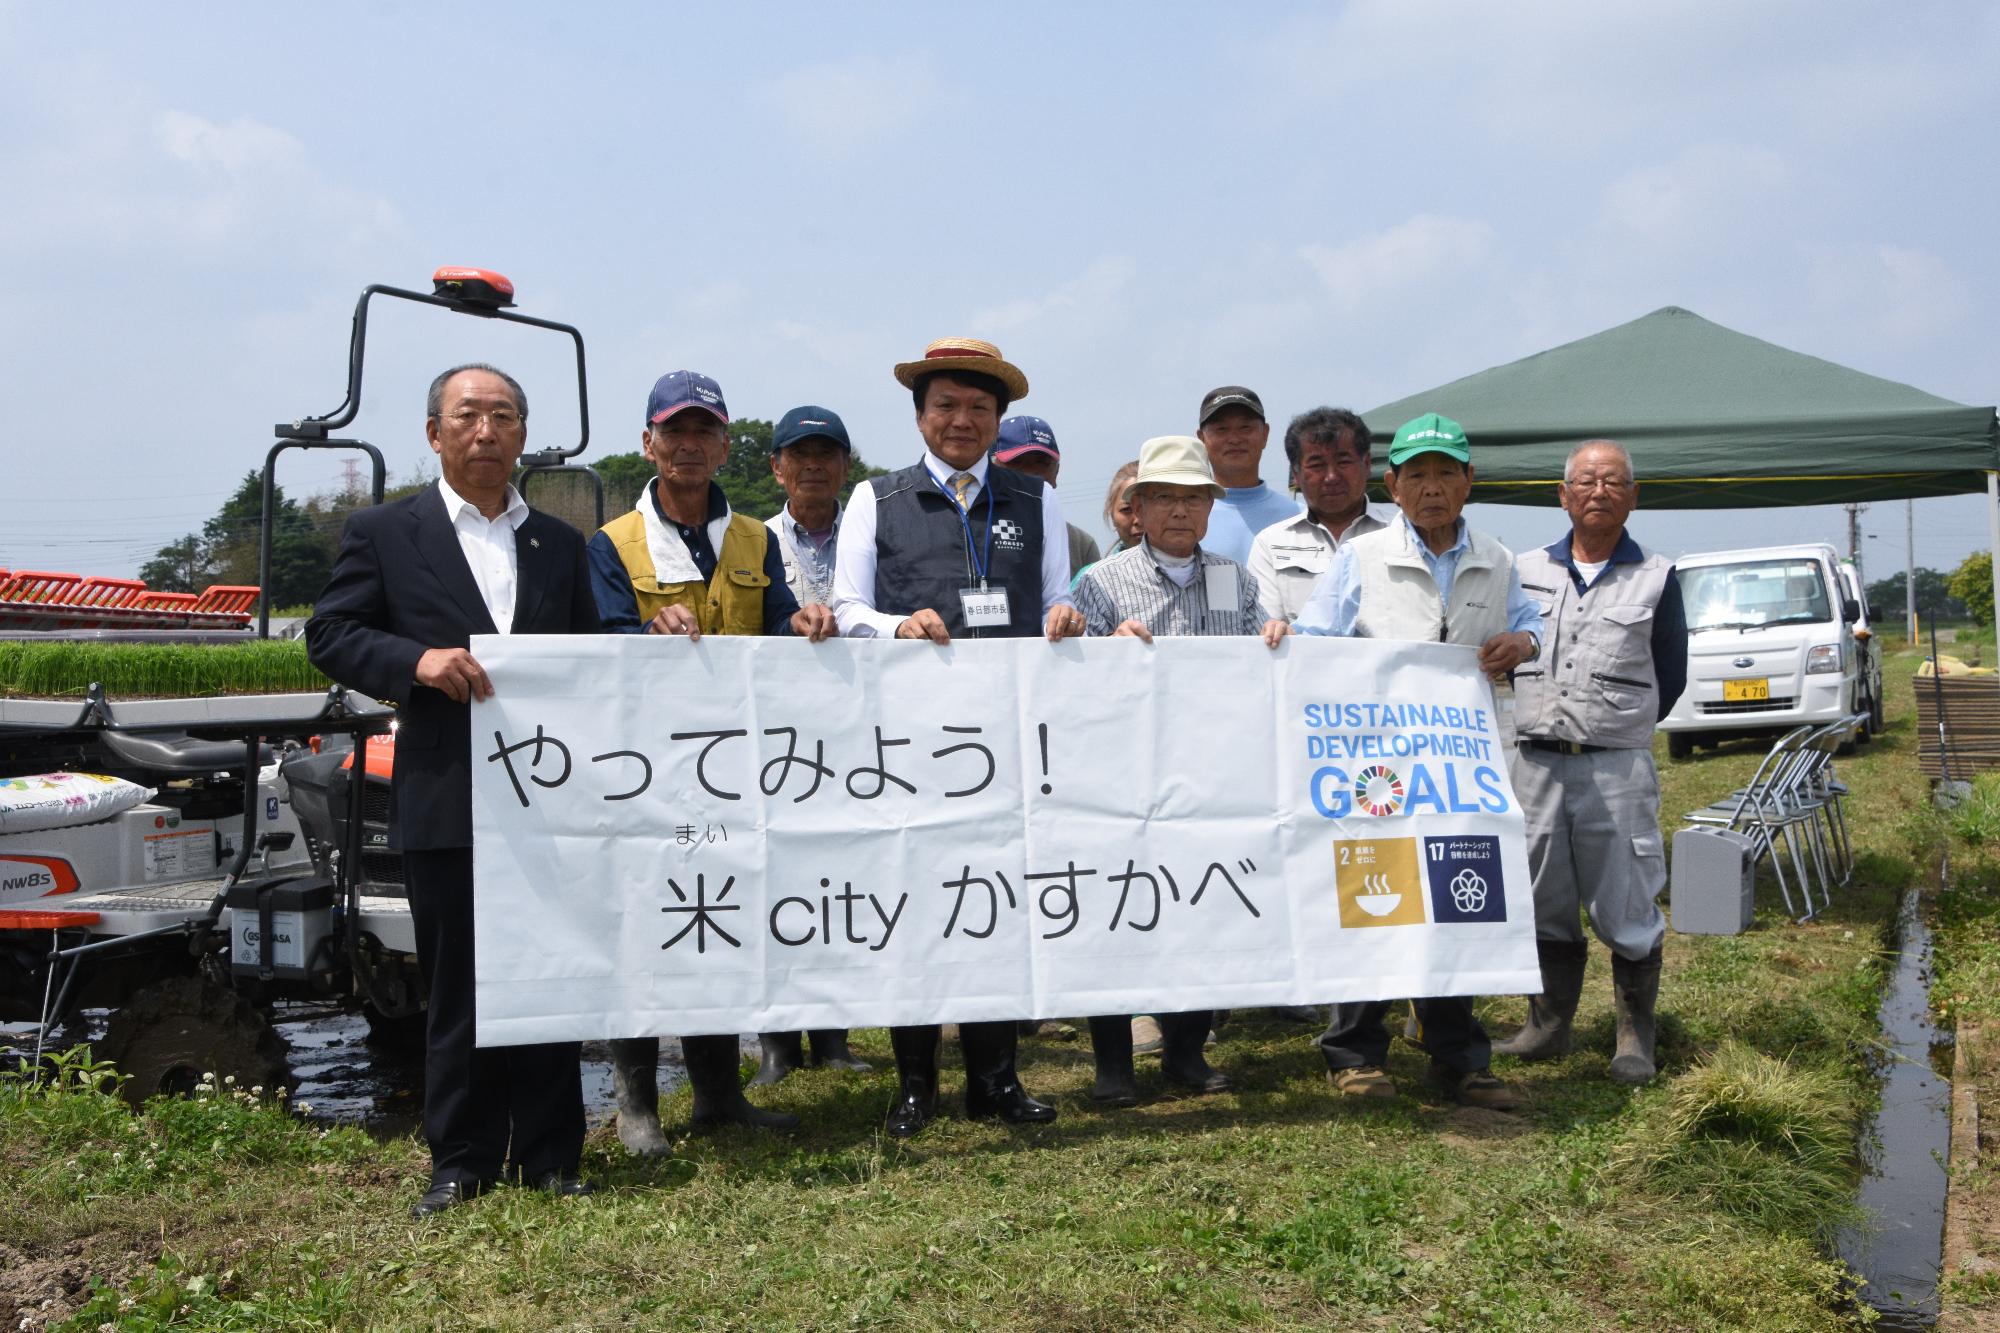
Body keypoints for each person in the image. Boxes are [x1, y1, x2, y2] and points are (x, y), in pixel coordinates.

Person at [307, 363, 599, 1217]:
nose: (486, 431)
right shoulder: (386, 531)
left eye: (504, 416)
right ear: (434, 433)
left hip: (549, 797)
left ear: (522, 435)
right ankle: (461, 1159)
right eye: (468, 415)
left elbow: (591, 657)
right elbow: (330, 632)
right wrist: (415, 662)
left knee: (549, 973)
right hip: (444, 790)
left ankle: (552, 1153)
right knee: (459, 983)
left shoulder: (559, 542)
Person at [829, 335, 1082, 1137]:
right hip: (909, 742)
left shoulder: (1036, 501)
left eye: (978, 408)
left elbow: (1055, 602)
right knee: (914, 902)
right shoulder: (877, 499)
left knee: (998, 903)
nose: (961, 420)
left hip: (1006, 739)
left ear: (999, 418)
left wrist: (1064, 617)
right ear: (919, 415)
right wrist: (897, 623)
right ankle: (914, 1083)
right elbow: (843, 611)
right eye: (946, 406)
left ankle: (995, 1079)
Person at [585, 369, 836, 1152]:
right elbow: (594, 641)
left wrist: (807, 623)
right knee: (642, 931)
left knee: (718, 923)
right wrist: (640, 634)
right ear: (648, 443)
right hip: (645, 773)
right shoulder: (612, 543)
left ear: (727, 444)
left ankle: (720, 1095)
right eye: (674, 430)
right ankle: (637, 1104)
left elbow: (774, 628)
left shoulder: (756, 537)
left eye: (704, 431)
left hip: (735, 773)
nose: (689, 444)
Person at [1288, 412, 1541, 1111]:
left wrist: (1522, 642)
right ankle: (1354, 1053)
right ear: (1392, 486)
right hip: (1376, 772)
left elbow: (1533, 625)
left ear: (1469, 482)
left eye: (1445, 473)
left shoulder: (1497, 556)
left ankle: (1459, 1056)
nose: (1432, 488)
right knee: (1369, 898)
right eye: (1417, 475)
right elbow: (1315, 639)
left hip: (1460, 768)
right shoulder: (1361, 560)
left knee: (1459, 900)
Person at [1068, 434, 1289, 1105]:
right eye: (1164, 496)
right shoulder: (1101, 580)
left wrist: (1277, 640)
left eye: (1194, 498)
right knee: (1118, 909)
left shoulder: (1236, 577)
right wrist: (1101, 646)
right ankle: (1113, 1064)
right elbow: (1065, 668)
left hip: (1213, 776)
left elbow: (1263, 652)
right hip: (1124, 778)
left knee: (1201, 908)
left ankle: (1188, 1053)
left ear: (1210, 505)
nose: (1180, 511)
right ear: (1136, 506)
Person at [1496, 440, 1688, 1085]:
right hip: (1534, 763)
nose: (1598, 491)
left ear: (1633, 497)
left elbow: (1672, 675)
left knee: (1627, 897)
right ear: (1563, 494)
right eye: (1586, 480)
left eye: (1613, 482)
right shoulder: (1521, 570)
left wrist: (1613, 724)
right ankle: (1547, 1028)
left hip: (1616, 766)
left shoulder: (1658, 576)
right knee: (1541, 893)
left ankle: (1635, 1037)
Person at [751, 403, 873, 1087]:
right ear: (776, 468)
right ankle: (775, 1041)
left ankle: (833, 1034)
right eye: (800, 454)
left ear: (846, 467)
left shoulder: (870, 537)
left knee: (840, 883)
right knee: (776, 880)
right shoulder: (753, 540)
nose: (815, 465)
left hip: (857, 738)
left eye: (828, 453)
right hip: (777, 737)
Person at [1248, 408, 1388, 623]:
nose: (1331, 476)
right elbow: (1265, 626)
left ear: (1367, 464)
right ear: (1296, 475)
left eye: (1343, 462)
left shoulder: (1401, 533)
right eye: (1317, 465)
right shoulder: (1271, 544)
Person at [1193, 385, 1300, 564]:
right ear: (1201, 439)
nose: (1234, 439)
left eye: (1245, 428)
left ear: (1265, 434)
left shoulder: (1299, 517)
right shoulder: (1185, 519)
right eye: (1221, 429)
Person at [991, 415, 1100, 576]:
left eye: (1042, 463)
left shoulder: (1079, 544)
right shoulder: (974, 531)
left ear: (1056, 473)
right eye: (1016, 462)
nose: (1029, 473)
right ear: (991, 470)